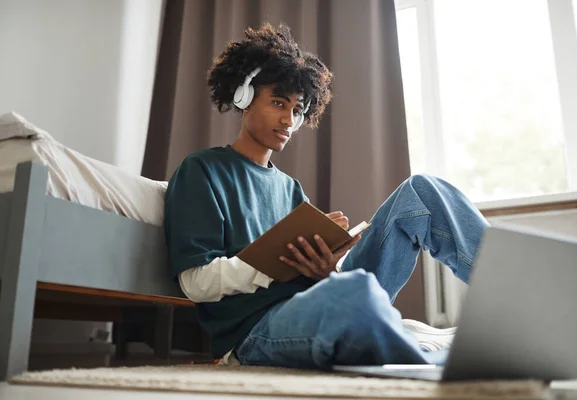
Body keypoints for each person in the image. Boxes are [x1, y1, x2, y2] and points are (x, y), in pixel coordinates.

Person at [164, 23, 489, 369]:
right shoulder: (202, 170)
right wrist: (272, 266)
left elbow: (319, 282)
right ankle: (428, 359)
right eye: (278, 102)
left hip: (318, 300)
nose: (289, 120)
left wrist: (325, 271)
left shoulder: (290, 189)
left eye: (298, 110)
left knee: (422, 192)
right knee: (355, 292)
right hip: (256, 330)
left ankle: (525, 304)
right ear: (244, 97)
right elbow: (195, 283)